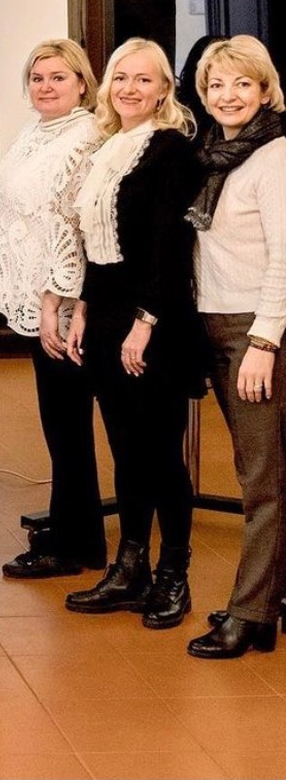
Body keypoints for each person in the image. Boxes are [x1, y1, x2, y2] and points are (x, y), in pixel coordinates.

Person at [65, 37, 200, 629]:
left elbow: (170, 248)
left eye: (144, 79)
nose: (129, 89)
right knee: (125, 448)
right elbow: (98, 250)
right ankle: (130, 567)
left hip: (156, 321)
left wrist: (144, 323)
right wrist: (87, 313)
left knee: (162, 453)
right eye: (121, 77)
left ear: (164, 89)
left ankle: (174, 574)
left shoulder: (169, 150)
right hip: (109, 316)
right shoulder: (107, 147)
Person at [0, 39, 106, 579]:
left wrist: (64, 303)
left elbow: (77, 227)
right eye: (37, 78)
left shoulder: (89, 138)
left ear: (82, 83)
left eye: (58, 77)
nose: (46, 87)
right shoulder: (34, 133)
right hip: (36, 303)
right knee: (59, 423)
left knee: (69, 424)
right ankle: (75, 530)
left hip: (67, 308)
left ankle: (76, 546)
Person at [185, 36, 286, 658]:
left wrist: (263, 341)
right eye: (216, 85)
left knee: (262, 480)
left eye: (242, 84)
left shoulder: (274, 156)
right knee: (266, 469)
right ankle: (267, 604)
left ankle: (250, 613)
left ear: (265, 89)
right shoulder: (218, 156)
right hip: (218, 324)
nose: (228, 96)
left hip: (254, 330)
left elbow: (284, 258)